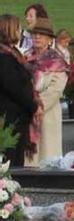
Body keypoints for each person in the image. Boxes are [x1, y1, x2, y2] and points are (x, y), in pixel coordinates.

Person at [23, 18, 68, 167]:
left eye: (41, 34)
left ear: (50, 39)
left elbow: (55, 90)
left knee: (46, 158)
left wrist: (36, 106)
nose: (37, 37)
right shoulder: (24, 58)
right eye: (34, 34)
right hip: (26, 114)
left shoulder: (57, 62)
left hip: (47, 115)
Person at [0, 14, 38, 167]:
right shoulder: (5, 59)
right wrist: (34, 105)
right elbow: (16, 88)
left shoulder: (12, 54)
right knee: (12, 164)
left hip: (17, 120)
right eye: (18, 28)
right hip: (10, 120)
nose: (20, 31)